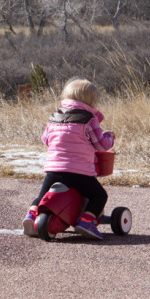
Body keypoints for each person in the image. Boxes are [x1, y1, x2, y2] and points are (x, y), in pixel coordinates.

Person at [23, 78, 115, 240]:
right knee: (99, 195)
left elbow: (46, 139)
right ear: (92, 101)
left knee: (42, 195)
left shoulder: (54, 117)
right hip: (79, 172)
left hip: (53, 169)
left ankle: (31, 216)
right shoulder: (89, 120)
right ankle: (87, 220)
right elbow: (101, 145)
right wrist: (110, 136)